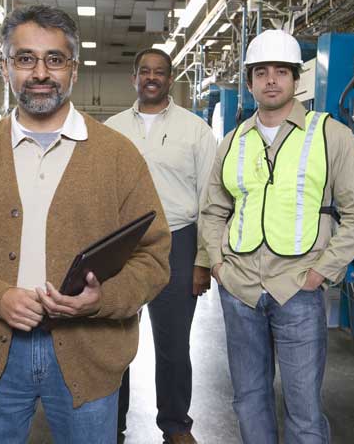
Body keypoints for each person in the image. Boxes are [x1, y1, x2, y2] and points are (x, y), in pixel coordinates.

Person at [0, 5, 171, 444]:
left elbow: (154, 256)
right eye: (26, 58)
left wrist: (103, 298)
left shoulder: (117, 156)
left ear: (73, 69)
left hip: (88, 356)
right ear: (7, 66)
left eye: (55, 59)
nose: (40, 73)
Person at [200, 29, 354, 444]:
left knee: (304, 407)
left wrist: (322, 273)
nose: (271, 80)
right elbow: (212, 209)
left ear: (297, 80)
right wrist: (219, 266)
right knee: (248, 398)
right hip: (239, 289)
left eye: (281, 71)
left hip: (298, 288)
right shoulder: (233, 141)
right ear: (250, 82)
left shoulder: (331, 135)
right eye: (261, 72)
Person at [105, 48, 217, 444]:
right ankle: (110, 422)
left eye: (160, 72)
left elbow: (210, 199)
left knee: (173, 343)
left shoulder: (196, 130)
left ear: (171, 79)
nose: (152, 78)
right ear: (134, 78)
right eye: (145, 72)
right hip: (122, 243)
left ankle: (175, 425)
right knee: (114, 337)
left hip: (178, 240)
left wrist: (203, 261)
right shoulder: (111, 129)